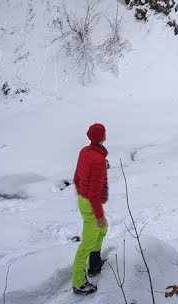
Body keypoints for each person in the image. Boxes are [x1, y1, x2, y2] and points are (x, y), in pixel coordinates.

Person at [72, 122, 110, 295]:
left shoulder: (85, 152)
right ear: (103, 136)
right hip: (90, 203)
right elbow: (94, 193)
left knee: (103, 229)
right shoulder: (98, 161)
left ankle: (94, 264)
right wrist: (99, 215)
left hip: (84, 199)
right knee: (86, 244)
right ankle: (79, 283)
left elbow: (77, 177)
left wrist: (81, 192)